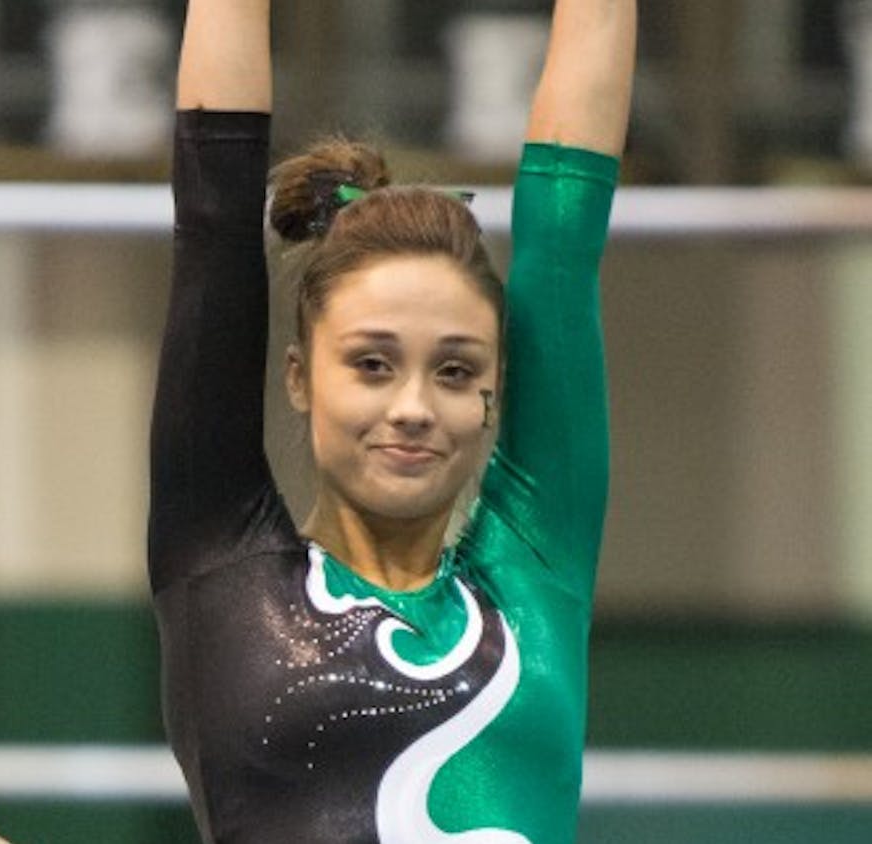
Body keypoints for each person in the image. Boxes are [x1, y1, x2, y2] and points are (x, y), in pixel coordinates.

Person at [148, 1, 635, 841]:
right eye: (372, 364)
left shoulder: (532, 572)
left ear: (495, 394)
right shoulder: (224, 569)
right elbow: (215, 223)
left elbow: (564, 236)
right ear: (299, 377)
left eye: (454, 371)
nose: (412, 408)